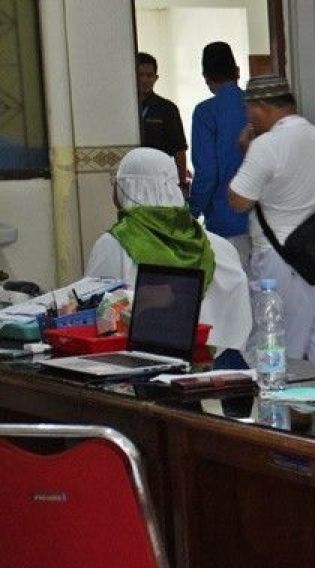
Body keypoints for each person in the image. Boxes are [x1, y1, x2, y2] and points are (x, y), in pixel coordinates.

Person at [228, 74, 315, 365]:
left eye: (248, 109)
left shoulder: (266, 145)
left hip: (284, 260)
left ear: (260, 106)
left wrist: (248, 152)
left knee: (278, 352)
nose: (248, 118)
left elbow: (238, 201)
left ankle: (282, 411)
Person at [85, 148, 251, 352]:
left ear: (126, 188)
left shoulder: (114, 244)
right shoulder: (221, 249)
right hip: (219, 368)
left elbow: (93, 315)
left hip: (140, 369)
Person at [189, 42, 251, 269]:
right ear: (237, 71)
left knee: (233, 294)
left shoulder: (206, 112)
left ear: (206, 77)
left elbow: (207, 173)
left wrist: (191, 212)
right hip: (265, 221)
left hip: (226, 221)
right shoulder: (258, 106)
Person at [135, 52, 189, 190]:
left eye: (149, 75)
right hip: (132, 177)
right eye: (140, 75)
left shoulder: (168, 108)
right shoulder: (124, 107)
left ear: (156, 78)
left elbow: (179, 149)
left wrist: (182, 183)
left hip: (160, 178)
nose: (145, 80)